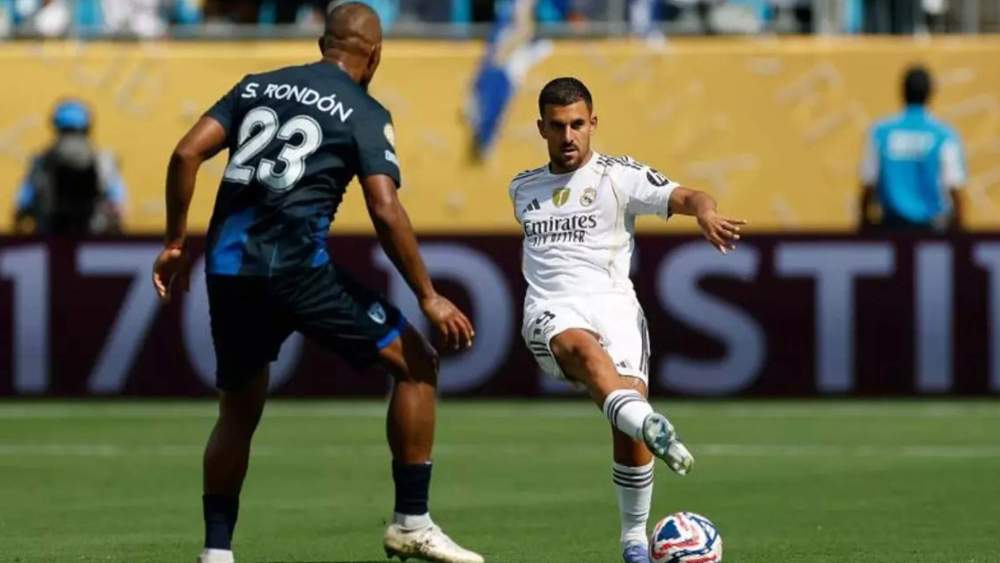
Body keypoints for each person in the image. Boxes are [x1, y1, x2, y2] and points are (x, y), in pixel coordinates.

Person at [151, 4, 483, 563]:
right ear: (374, 55)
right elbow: (384, 205)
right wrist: (427, 293)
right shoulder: (363, 109)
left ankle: (216, 553)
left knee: (237, 412)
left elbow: (187, 152)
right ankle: (411, 521)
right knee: (417, 365)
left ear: (321, 41)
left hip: (229, 272)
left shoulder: (257, 86)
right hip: (299, 271)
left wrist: (175, 242)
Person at [508, 77, 745, 563]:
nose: (568, 136)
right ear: (541, 129)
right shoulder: (522, 189)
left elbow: (689, 195)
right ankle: (652, 426)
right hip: (552, 306)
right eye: (557, 127)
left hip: (615, 304)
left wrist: (706, 214)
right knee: (583, 350)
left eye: (578, 124)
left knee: (625, 416)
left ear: (593, 124)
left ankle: (634, 541)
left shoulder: (620, 176)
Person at [860, 65, 967, 232]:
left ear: (902, 91)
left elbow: (868, 183)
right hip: (932, 230)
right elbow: (954, 187)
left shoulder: (881, 133)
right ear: (930, 93)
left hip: (891, 228)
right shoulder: (943, 135)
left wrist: (864, 223)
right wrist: (958, 230)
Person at [14, 99, 125, 235]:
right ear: (87, 128)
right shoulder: (104, 161)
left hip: (52, 240)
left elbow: (22, 206)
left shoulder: (41, 162)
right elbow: (118, 207)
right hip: (92, 242)